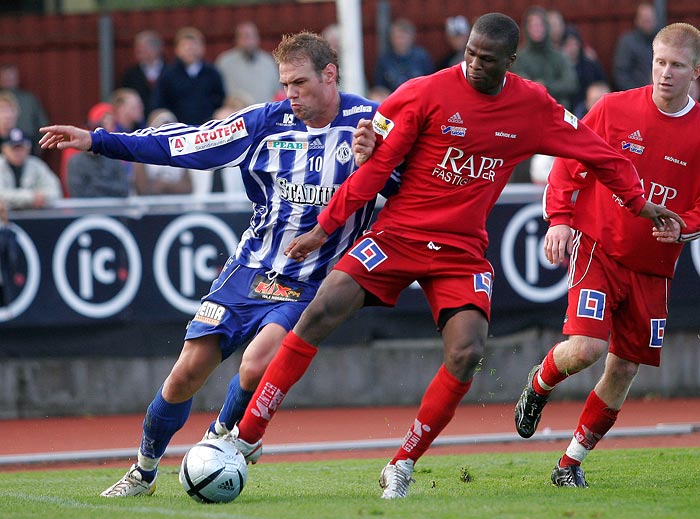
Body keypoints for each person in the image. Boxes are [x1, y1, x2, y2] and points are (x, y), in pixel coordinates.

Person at [228, 12, 683, 500]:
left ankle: (402, 463)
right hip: (400, 234)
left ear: (510, 62)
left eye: (486, 60)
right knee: (321, 310)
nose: (472, 66)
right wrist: (324, 228)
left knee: (467, 352)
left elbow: (600, 154)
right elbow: (378, 164)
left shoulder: (532, 106)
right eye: (468, 54)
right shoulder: (426, 91)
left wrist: (639, 203)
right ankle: (247, 436)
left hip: (461, 251)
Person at [40, 31, 398, 498]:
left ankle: (221, 442)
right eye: (285, 83)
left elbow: (409, 185)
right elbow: (184, 144)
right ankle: (144, 469)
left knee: (257, 363)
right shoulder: (266, 121)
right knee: (187, 372)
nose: (290, 94)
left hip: (311, 281)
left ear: (329, 76)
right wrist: (96, 140)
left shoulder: (372, 124)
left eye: (299, 83)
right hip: (251, 268)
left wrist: (379, 166)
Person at [514, 22, 700, 488]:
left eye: (677, 65)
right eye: (660, 62)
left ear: (695, 71)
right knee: (587, 350)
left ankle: (570, 463)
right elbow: (568, 162)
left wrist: (686, 227)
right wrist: (558, 219)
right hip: (600, 247)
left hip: (654, 270)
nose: (665, 73)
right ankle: (539, 384)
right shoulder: (614, 109)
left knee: (624, 369)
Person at [511, 5, 579, 110]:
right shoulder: (519, 57)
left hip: (558, 109)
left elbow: (570, 84)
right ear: (526, 28)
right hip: (529, 109)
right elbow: (519, 85)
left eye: (540, 25)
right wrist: (539, 86)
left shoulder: (559, 56)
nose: (536, 29)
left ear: (546, 27)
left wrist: (545, 85)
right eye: (532, 25)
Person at [154, 27, 225, 125]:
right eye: (185, 46)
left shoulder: (212, 73)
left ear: (202, 48)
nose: (190, 50)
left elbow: (221, 100)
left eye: (194, 46)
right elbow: (160, 104)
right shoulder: (168, 75)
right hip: (178, 130)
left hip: (208, 130)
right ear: (177, 50)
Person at [66, 103, 130, 198]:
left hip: (113, 209)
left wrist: (97, 184)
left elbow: (124, 189)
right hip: (86, 211)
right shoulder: (75, 161)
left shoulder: (114, 157)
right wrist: (108, 186)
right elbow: (78, 192)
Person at [215, 21, 279, 105]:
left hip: (265, 114)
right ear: (236, 39)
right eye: (244, 36)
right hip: (237, 115)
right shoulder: (224, 62)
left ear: (258, 38)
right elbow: (217, 93)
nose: (249, 40)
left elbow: (278, 91)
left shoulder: (269, 61)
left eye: (252, 36)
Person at [132, 109, 192, 195]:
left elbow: (188, 188)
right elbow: (142, 189)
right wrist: (160, 187)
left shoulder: (182, 155)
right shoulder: (141, 155)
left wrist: (167, 186)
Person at [0, 127, 62, 209]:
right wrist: (30, 198)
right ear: (4, 149)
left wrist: (42, 198)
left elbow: (55, 192)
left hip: (34, 217)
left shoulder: (36, 165)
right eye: (14, 149)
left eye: (21, 148)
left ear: (28, 149)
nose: (18, 153)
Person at [373, 18, 434, 92]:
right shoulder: (384, 60)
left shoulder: (422, 57)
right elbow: (379, 88)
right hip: (394, 98)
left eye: (403, 37)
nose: (400, 41)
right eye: (397, 37)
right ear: (391, 38)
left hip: (418, 97)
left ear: (411, 37)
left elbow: (431, 82)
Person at [0, 63, 49, 154]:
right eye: (3, 110)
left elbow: (43, 125)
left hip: (29, 149)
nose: (7, 115)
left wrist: (36, 150)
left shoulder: (28, 99)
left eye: (11, 76)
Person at [561, 26, 607, 115]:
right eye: (568, 44)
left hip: (590, 104)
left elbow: (602, 84)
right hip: (567, 107)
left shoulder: (590, 64)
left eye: (574, 44)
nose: (572, 48)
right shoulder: (559, 67)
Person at [612, 3, 658, 91]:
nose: (648, 22)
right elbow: (620, 74)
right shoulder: (627, 43)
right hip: (637, 94)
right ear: (637, 20)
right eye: (645, 19)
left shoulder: (661, 41)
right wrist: (637, 93)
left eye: (651, 19)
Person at [120, 30, 166, 118]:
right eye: (137, 47)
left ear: (156, 49)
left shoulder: (169, 72)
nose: (138, 51)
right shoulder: (131, 75)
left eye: (144, 48)